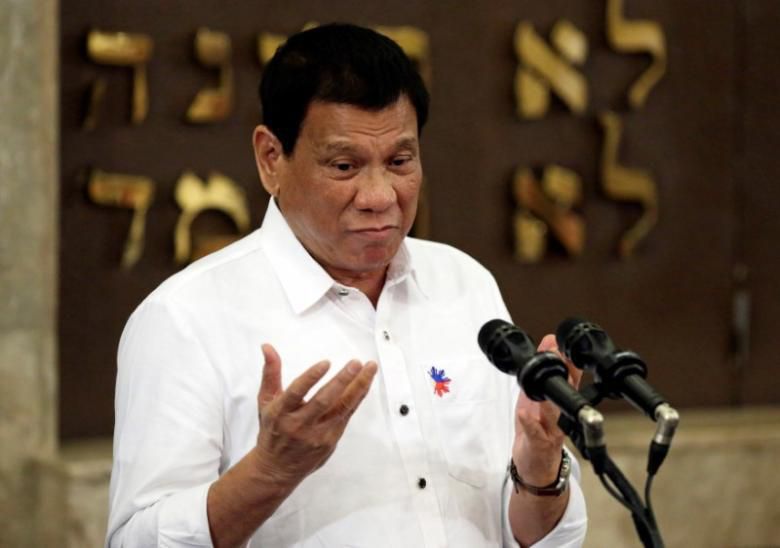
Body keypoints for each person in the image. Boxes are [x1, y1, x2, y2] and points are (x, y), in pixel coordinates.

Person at [106, 23, 587, 547]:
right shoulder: (185, 318)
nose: (379, 196)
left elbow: (536, 537)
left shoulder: (463, 284)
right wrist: (269, 472)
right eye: (344, 166)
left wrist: (540, 466)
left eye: (400, 162)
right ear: (271, 158)